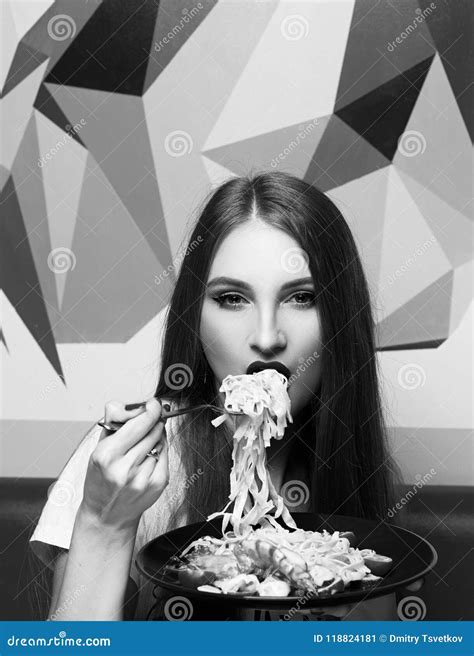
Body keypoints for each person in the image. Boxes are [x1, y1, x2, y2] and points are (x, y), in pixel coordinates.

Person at [29, 170, 406, 621]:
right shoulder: (125, 464)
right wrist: (102, 522)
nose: (267, 337)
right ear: (196, 317)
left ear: (341, 322)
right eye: (232, 298)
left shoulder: (354, 471)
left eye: (303, 298)